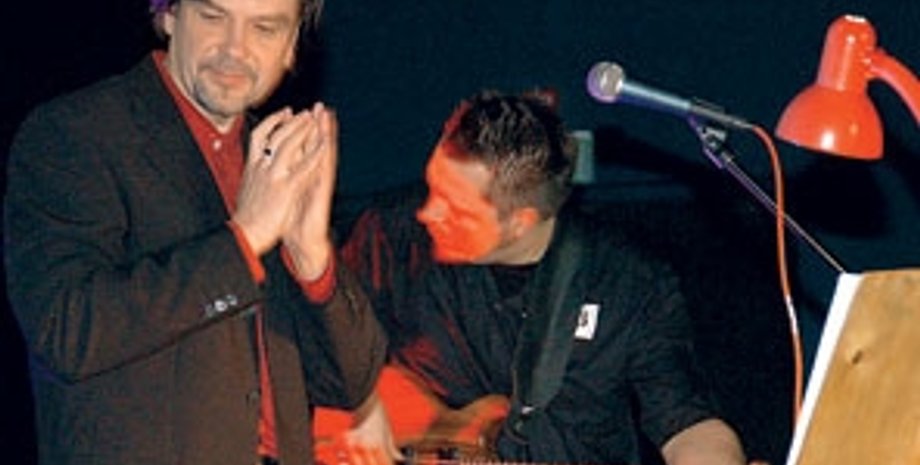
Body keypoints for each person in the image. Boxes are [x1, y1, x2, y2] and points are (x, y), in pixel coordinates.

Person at [3, 0, 398, 464]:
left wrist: (312, 259)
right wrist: (244, 239)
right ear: (168, 16)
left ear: (291, 47)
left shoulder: (275, 158)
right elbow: (67, 329)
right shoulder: (77, 134)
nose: (235, 48)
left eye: (265, 29)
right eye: (214, 17)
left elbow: (349, 383)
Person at [338, 90, 761, 465]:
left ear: (521, 222)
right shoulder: (391, 239)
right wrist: (367, 407)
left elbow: (686, 423)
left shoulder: (629, 284)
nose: (428, 212)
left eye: (456, 208)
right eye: (433, 187)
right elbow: (322, 347)